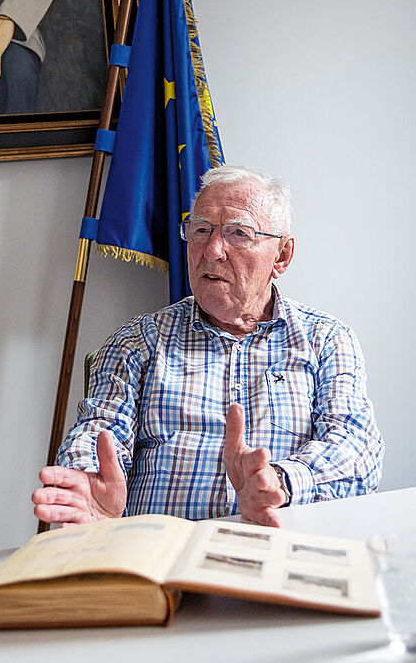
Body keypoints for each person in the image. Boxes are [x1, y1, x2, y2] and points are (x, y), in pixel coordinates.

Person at [32, 165, 385, 528]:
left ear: (281, 256)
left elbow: (359, 451)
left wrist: (281, 482)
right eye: (200, 231)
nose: (212, 250)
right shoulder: (137, 342)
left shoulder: (325, 340)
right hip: (158, 559)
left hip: (279, 551)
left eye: (238, 234)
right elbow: (97, 430)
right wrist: (90, 479)